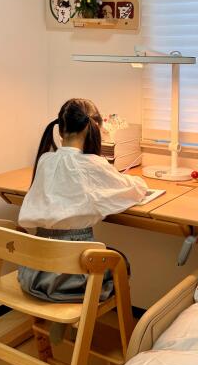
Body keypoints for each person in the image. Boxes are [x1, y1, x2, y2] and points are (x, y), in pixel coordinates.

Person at [17, 98, 147, 303]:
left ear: (60, 131)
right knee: (120, 261)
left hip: (35, 273)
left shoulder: (45, 160)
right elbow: (136, 190)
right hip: (70, 278)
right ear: (93, 129)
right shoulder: (92, 164)